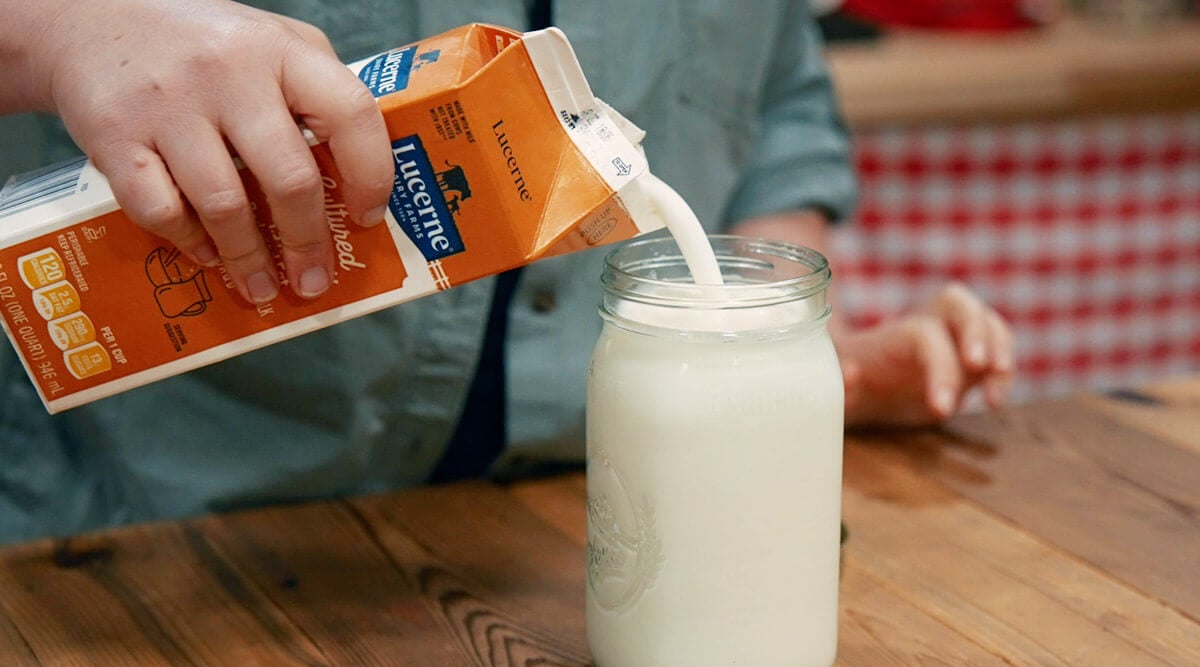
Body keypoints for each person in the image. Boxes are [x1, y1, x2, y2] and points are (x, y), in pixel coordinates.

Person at [0, 0, 1012, 542]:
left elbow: (776, 86)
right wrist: (64, 28)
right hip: (146, 539)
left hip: (570, 537)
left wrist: (779, 349)